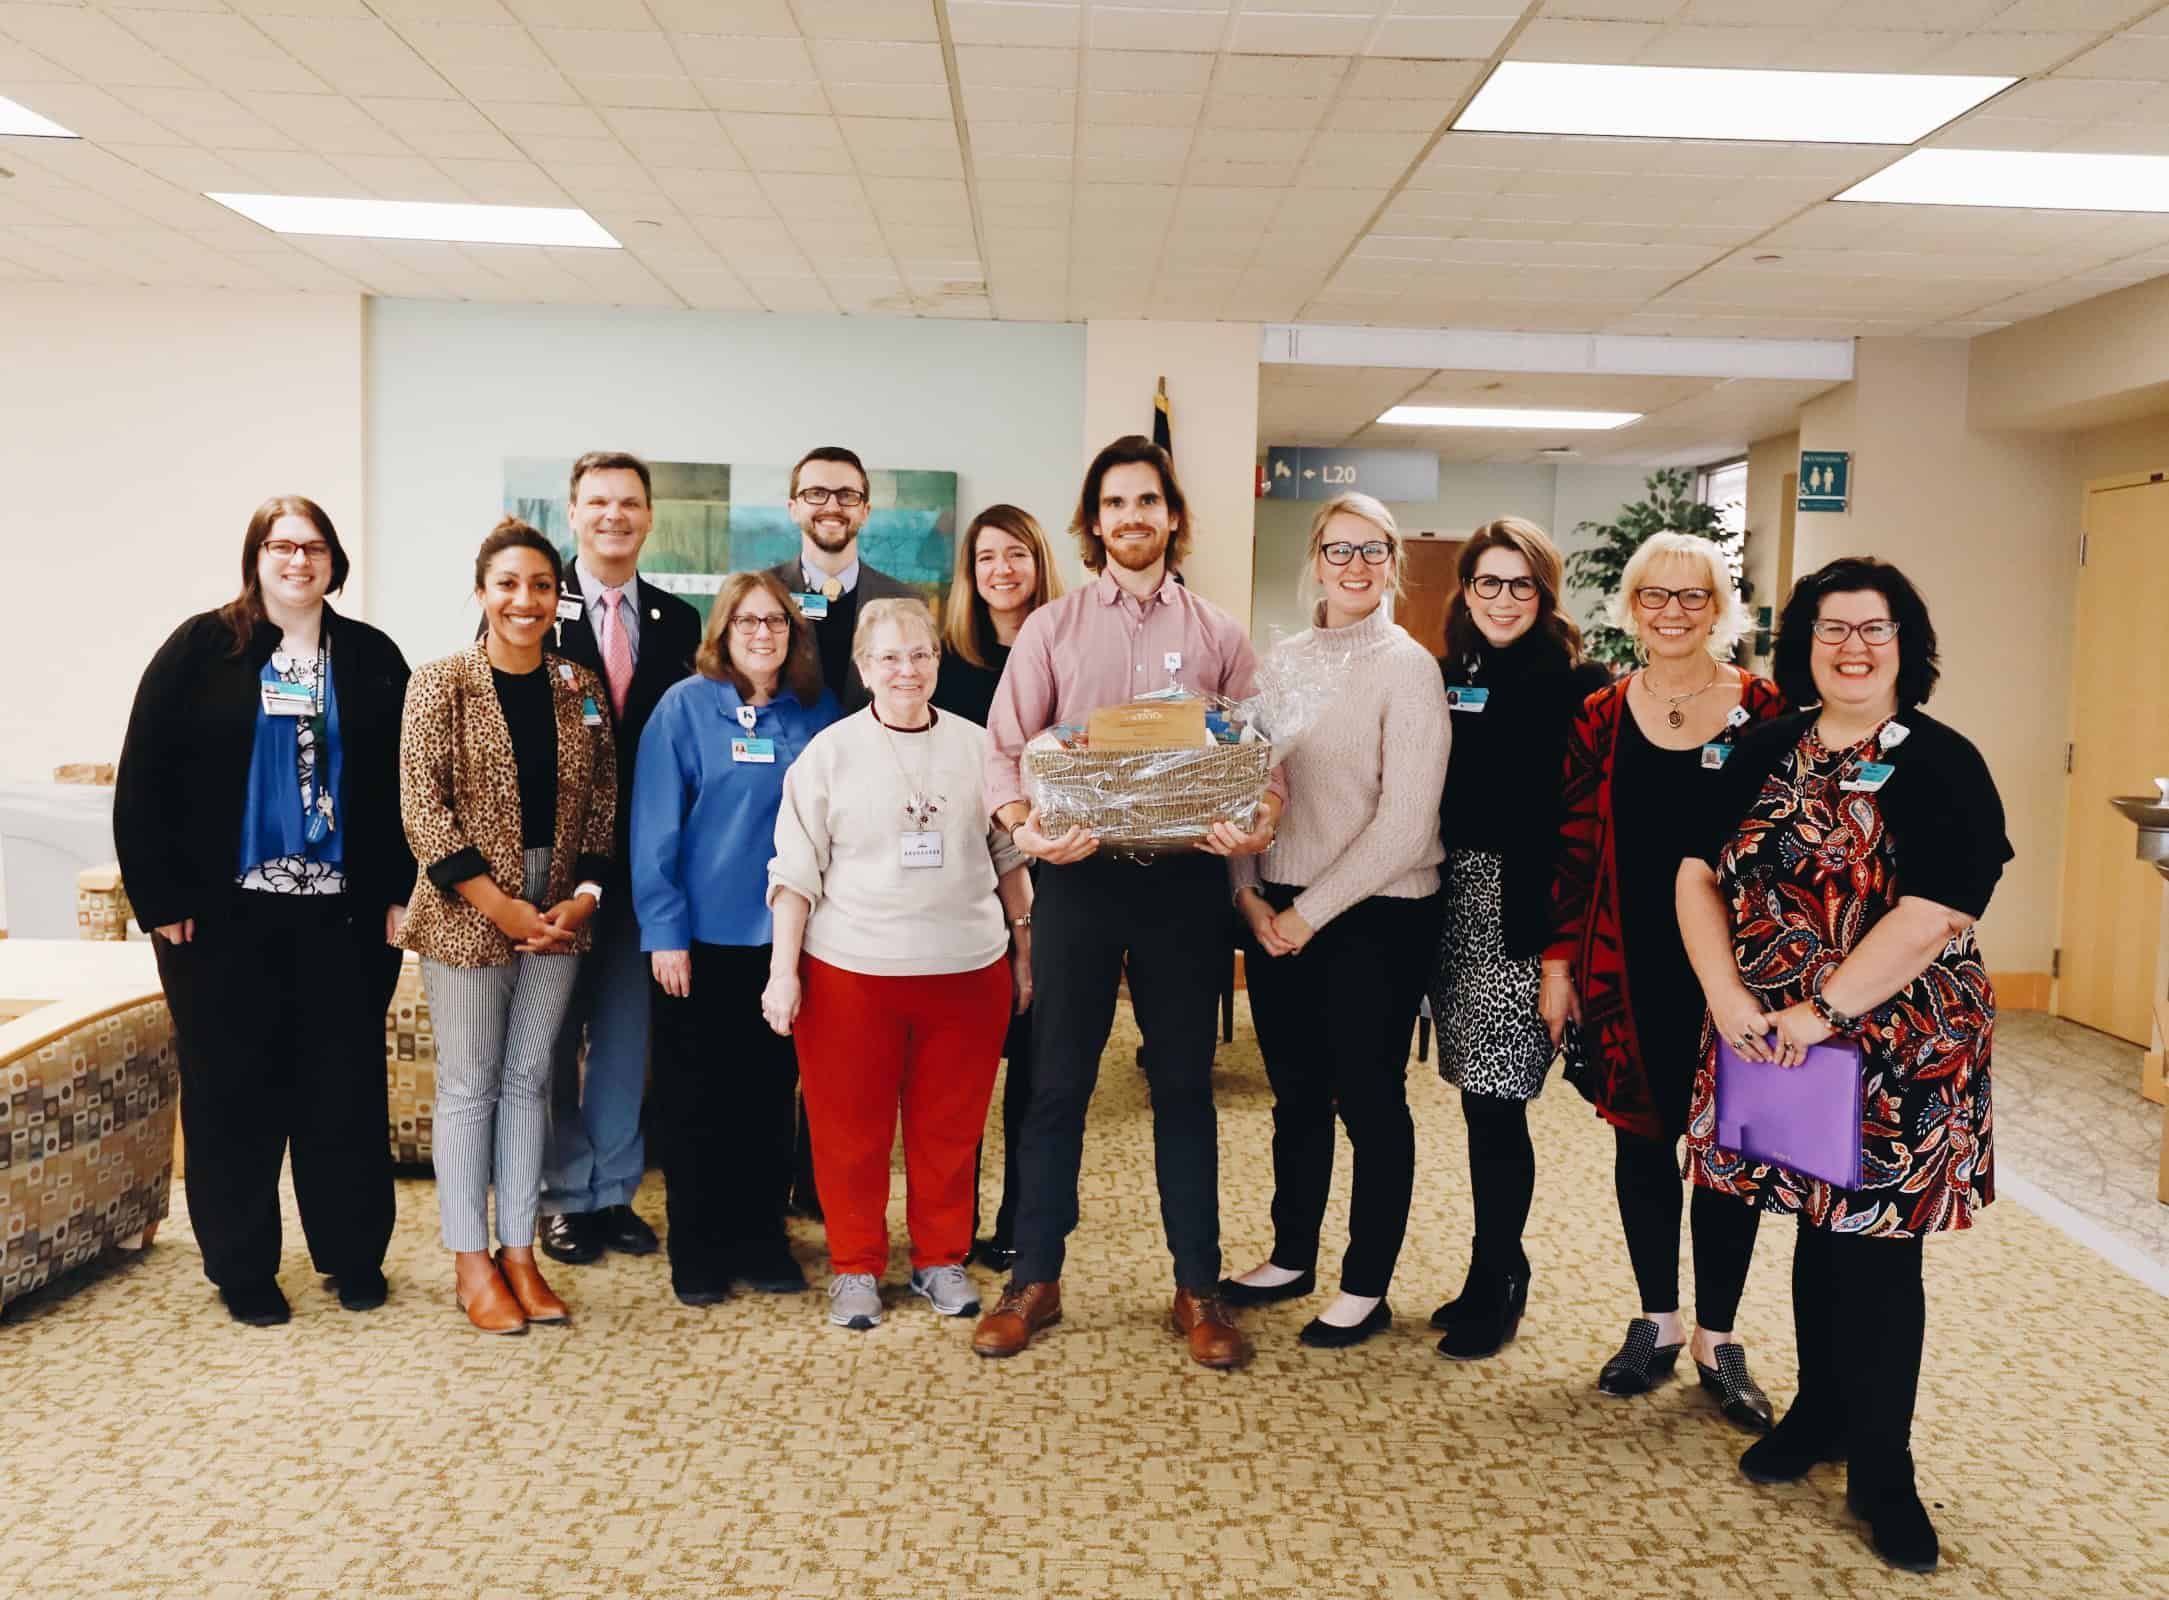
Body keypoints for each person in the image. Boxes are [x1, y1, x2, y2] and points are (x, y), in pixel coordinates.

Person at [1680, 557, 2007, 1574]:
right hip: (1769, 1035)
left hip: (1894, 1045)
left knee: (1874, 1253)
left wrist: (1821, 1010)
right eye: (1832, 629)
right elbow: (1693, 873)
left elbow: (1939, 908)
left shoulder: (1942, 760)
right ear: (1804, 642)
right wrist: (1733, 999)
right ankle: (1820, 1412)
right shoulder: (1761, 744)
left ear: (1908, 644)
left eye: (1875, 629)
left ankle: (1884, 1468)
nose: (1853, 647)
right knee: (1812, 1229)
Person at [972, 434, 1282, 1370]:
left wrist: (1261, 816)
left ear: (1172, 516)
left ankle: (1197, 1283)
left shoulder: (1222, 634)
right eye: (1115, 504)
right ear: (1094, 521)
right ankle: (1034, 1276)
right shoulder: (1052, 629)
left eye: (1147, 501)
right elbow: (1002, 748)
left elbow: (1261, 755)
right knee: (1056, 1085)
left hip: (1184, 885)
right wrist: (1024, 828)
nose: (1132, 518)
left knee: (1183, 1088)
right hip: (1077, 880)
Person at [113, 496, 412, 1327]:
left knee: (343, 1090)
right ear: (256, 557)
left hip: (342, 921)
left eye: (313, 547)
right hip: (220, 923)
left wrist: (398, 890)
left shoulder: (373, 656)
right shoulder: (200, 648)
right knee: (230, 1093)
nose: (298, 561)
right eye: (281, 546)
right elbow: (144, 777)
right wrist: (160, 899)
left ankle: (352, 1257)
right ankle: (243, 1268)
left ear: (334, 561)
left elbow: (407, 787)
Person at [1546, 531, 1785, 1424]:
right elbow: (1571, 850)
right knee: (1640, 1141)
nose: (1673, 612)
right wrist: (1558, 965)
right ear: (1632, 605)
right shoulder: (1600, 716)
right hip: (1625, 959)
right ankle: (1655, 1318)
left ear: (1716, 608)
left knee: (1728, 1153)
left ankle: (1717, 1339)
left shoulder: (1766, 711)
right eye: (1656, 596)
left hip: (1738, 970)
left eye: (1691, 597)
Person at [1218, 493, 1450, 1349]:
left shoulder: (1408, 668)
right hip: (1275, 906)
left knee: (1371, 1100)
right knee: (1296, 1097)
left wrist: (1307, 915)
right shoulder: (1279, 662)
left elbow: (1405, 823)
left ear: (1393, 562)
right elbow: (1245, 786)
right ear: (1314, 559)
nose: (1355, 566)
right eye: (1338, 550)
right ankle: (1290, 1254)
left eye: (1373, 550)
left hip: (1375, 916)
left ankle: (1365, 1284)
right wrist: (1246, 893)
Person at [762, 598, 1032, 1331]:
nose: (906, 669)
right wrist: (783, 973)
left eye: (919, 655)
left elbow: (1008, 857)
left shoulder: (981, 748)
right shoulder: (831, 753)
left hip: (966, 969)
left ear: (938, 662)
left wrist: (1024, 952)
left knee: (948, 1128)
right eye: (888, 657)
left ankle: (939, 1259)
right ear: (863, 667)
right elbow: (794, 872)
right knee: (850, 1131)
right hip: (851, 973)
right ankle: (854, 1265)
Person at [397, 519, 617, 1334]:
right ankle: (469, 1262)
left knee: (530, 1082)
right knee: (469, 1085)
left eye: (538, 586)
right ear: (483, 592)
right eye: (507, 585)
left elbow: (601, 806)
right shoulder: (439, 682)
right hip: (467, 906)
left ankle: (519, 1252)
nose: (524, 601)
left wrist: (584, 896)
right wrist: (500, 906)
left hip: (557, 908)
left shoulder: (580, 686)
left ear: (556, 596)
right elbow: (423, 811)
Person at [1427, 519, 1612, 1360]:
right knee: (1473, 1100)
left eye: (1520, 585)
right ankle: (1482, 1270)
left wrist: (1557, 957)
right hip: (1448, 901)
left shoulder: (1578, 687)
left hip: (1522, 915)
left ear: (1544, 596)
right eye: (1487, 583)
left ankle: (1502, 1277)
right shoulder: (1444, 675)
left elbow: (1583, 835)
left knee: (1500, 1106)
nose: (1502, 599)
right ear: (1465, 589)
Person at [632, 572, 839, 1307]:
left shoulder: (815, 714)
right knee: (693, 1102)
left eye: (776, 622)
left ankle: (760, 1238)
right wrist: (664, 933)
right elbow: (654, 827)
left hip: (785, 944)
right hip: (698, 941)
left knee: (766, 1098)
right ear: (721, 631)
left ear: (794, 633)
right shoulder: (684, 708)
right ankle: (697, 1247)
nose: (762, 633)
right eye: (747, 621)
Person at [536, 451, 702, 1268]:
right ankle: (563, 1197)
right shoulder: (534, 607)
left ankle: (611, 1193)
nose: (614, 515)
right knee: (557, 1037)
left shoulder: (678, 621)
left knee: (626, 1039)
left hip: (645, 865)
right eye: (598, 501)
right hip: (559, 870)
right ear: (573, 513)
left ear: (647, 516)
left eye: (629, 502)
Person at [930, 503, 1066, 1268]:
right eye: (985, 558)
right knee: (961, 1078)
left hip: (1054, 888)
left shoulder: (1066, 654)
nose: (1002, 571)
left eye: (1016, 555)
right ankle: (950, 1226)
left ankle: (1020, 1221)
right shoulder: (946, 666)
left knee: (1038, 1073)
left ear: (1039, 563)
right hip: (960, 889)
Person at [764, 445, 920, 714]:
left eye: (847, 495)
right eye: (816, 494)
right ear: (793, 508)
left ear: (865, 511)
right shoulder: (761, 594)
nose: (832, 506)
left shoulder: (907, 602)